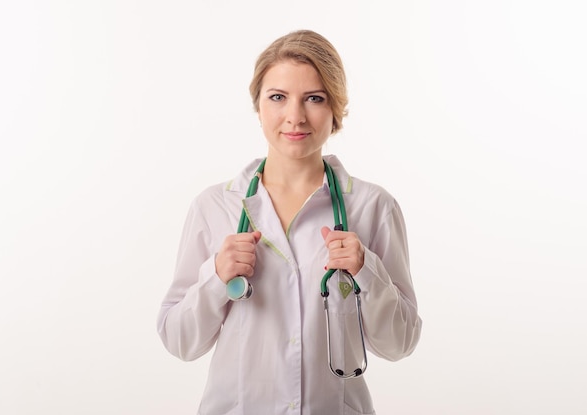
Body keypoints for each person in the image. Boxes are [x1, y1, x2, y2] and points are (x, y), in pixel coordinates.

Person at [157, 29, 422, 415]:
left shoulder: (372, 207)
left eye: (314, 98)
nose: (295, 116)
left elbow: (399, 343)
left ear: (336, 108)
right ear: (258, 105)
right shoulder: (215, 207)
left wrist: (368, 270)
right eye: (278, 97)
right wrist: (216, 277)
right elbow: (179, 341)